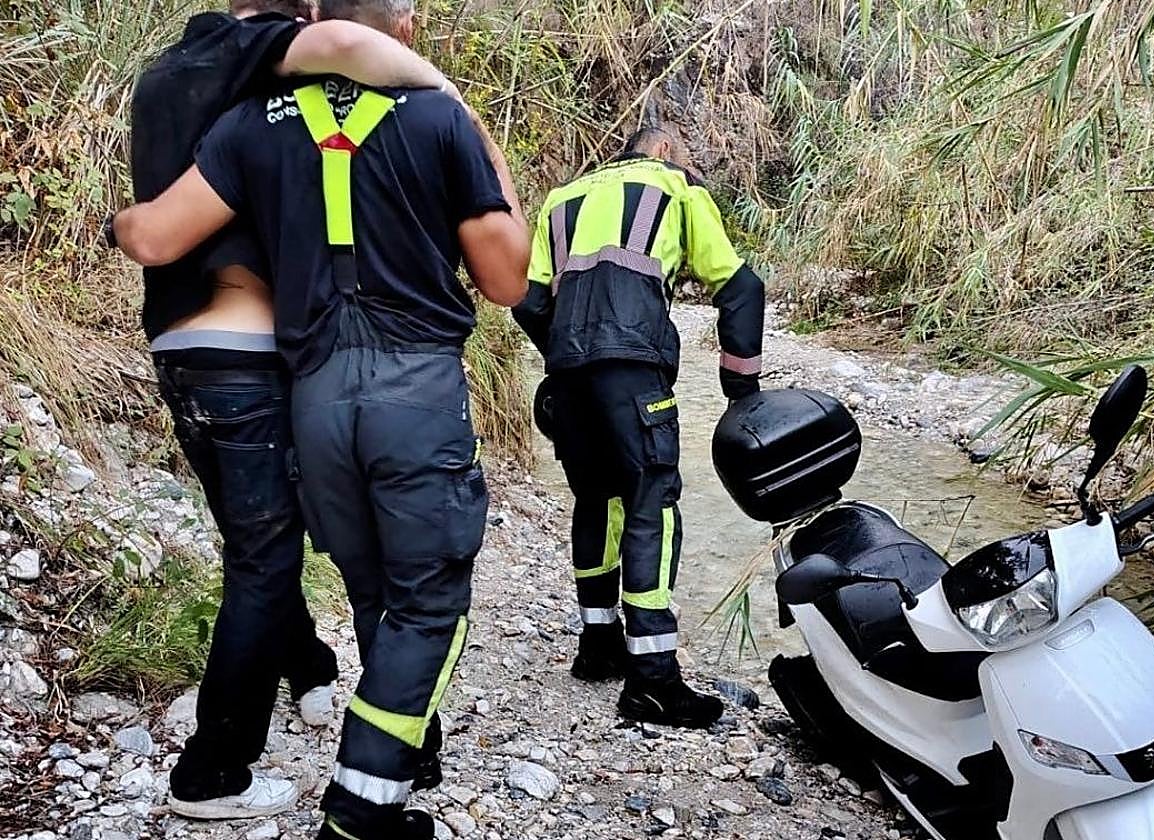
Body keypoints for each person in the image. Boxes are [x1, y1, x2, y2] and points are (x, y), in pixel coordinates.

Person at [109, 0, 530, 835]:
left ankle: (406, 749)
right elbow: (508, 280)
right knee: (427, 600)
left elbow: (155, 234)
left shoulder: (245, 124)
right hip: (412, 388)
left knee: (370, 582)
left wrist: (114, 218)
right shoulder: (440, 117)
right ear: (397, 36)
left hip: (313, 395)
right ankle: (360, 808)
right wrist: (483, 145)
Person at [513, 126, 766, 729]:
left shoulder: (561, 199)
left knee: (595, 500)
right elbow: (741, 288)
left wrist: (566, 351)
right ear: (663, 152)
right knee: (652, 501)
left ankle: (598, 645)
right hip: (634, 373)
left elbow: (526, 298)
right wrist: (742, 392)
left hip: (569, 380)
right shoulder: (676, 189)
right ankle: (652, 679)